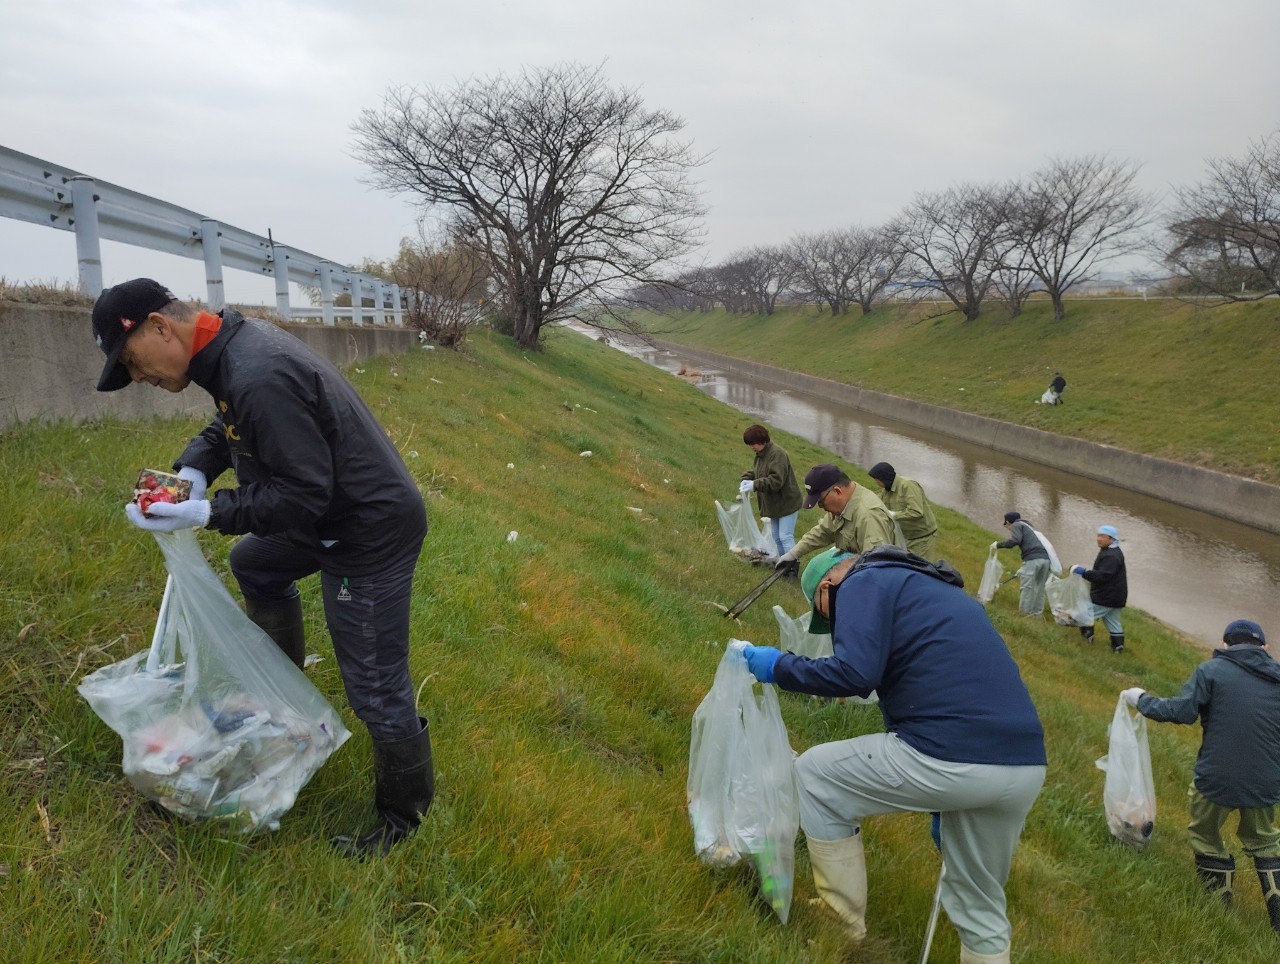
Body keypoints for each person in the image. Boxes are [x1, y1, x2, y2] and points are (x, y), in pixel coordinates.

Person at [90, 278, 432, 857]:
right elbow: (231, 427)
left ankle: (404, 820)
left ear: (160, 328)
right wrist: (195, 469)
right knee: (255, 564)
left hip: (365, 532)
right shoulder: (229, 352)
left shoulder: (256, 371)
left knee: (375, 685)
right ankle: (282, 696)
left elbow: (302, 494)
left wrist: (207, 512)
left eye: (131, 361)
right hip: (327, 517)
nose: (137, 377)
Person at [737, 546, 1046, 963]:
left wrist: (778, 666)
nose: (833, 622)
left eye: (824, 614)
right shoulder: (936, 590)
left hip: (950, 755)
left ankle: (841, 923)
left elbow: (854, 673)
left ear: (827, 587)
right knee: (978, 898)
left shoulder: (861, 581)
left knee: (814, 774)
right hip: (1024, 764)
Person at [1121, 619, 1280, 932]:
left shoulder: (1211, 671)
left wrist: (1140, 699)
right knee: (1265, 841)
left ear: (1224, 645)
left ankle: (1219, 909)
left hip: (1216, 778)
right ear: (1265, 647)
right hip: (1265, 781)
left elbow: (1181, 712)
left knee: (1205, 834)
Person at [773, 464, 895, 570]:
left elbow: (876, 566)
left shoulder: (869, 516)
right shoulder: (843, 506)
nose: (822, 507)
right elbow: (823, 531)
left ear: (837, 491)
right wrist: (793, 554)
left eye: (821, 502)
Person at [738, 424, 803, 576]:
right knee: (777, 537)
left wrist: (754, 484)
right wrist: (748, 477)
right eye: (749, 444)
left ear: (762, 440)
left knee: (785, 536)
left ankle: (793, 568)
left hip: (787, 502)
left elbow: (776, 481)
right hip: (774, 505)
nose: (751, 447)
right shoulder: (761, 454)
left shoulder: (777, 454)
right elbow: (760, 472)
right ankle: (783, 564)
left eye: (753, 443)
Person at [1071, 524, 1128, 652]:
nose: (1099, 539)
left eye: (1102, 536)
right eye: (1098, 536)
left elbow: (1102, 576)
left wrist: (1083, 572)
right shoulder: (1110, 551)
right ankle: (1118, 648)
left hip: (1107, 597)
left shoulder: (1112, 556)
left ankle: (1087, 640)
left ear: (1112, 539)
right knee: (1112, 622)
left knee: (1084, 615)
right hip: (1116, 597)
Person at [867, 461, 938, 559]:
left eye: (877, 479)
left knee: (919, 565)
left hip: (922, 536)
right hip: (906, 536)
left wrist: (894, 515)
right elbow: (879, 504)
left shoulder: (908, 486)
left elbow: (916, 511)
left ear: (884, 477)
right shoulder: (887, 491)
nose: (876, 482)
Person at [992, 511, 1051, 617]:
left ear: (1008, 522)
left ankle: (1024, 614)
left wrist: (998, 545)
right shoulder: (1029, 527)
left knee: (1027, 587)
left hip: (1033, 559)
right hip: (1046, 560)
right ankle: (1037, 615)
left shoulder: (1016, 525)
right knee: (1040, 589)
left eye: (1007, 526)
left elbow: (1015, 540)